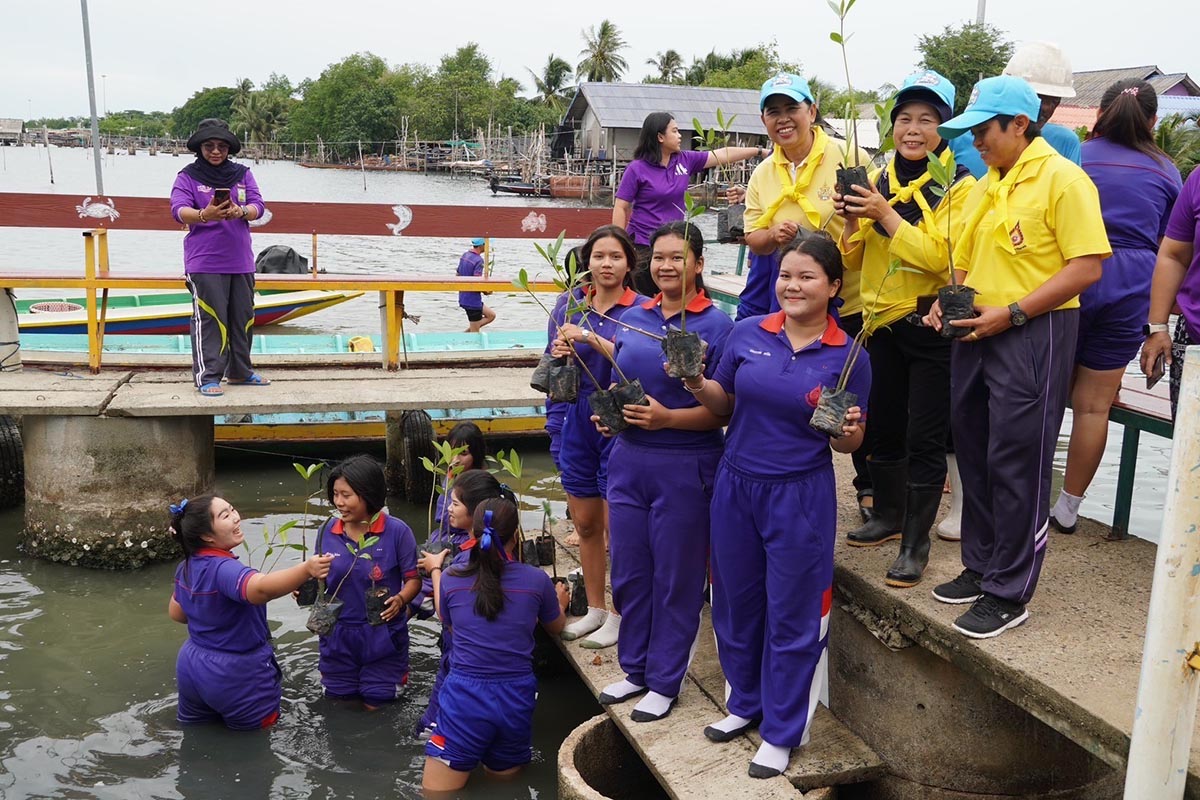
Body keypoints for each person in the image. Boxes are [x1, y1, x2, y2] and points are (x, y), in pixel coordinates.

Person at [925, 76, 1109, 639]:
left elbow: (1086, 267)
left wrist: (1015, 313)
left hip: (1035, 330)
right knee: (976, 448)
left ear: (1020, 125)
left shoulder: (1063, 181)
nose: (975, 142)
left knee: (1018, 457)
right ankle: (981, 565)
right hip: (977, 330)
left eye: (983, 131)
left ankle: (1010, 589)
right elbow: (965, 259)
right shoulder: (988, 183)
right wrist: (943, 300)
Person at [687, 234, 867, 778]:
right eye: (786, 274)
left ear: (834, 287)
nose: (792, 285)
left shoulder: (850, 355)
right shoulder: (745, 334)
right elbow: (722, 404)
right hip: (736, 485)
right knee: (735, 604)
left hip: (800, 494)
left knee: (793, 614)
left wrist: (849, 433)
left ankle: (784, 730)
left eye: (807, 276)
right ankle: (744, 703)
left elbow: (848, 443)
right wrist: (695, 380)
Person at [834, 70, 976, 587]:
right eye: (904, 119)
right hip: (877, 323)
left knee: (925, 435)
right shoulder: (875, 178)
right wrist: (852, 220)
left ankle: (917, 543)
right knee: (885, 425)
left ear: (945, 128)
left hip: (929, 323)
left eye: (927, 119)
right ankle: (888, 517)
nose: (913, 129)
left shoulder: (959, 186)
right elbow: (851, 255)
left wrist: (885, 217)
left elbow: (944, 260)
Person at [596, 221, 733, 723]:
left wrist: (668, 418)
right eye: (658, 257)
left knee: (676, 576)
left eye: (678, 257)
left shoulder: (718, 327)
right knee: (630, 571)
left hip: (686, 460)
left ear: (698, 264)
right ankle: (634, 669)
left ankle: (665, 678)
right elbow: (620, 380)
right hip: (629, 459)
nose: (667, 266)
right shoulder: (635, 317)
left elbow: (725, 412)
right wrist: (612, 414)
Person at [1050, 80, 1182, 534]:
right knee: (1094, 407)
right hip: (1133, 287)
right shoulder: (1166, 170)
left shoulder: (1074, 158)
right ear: (1153, 122)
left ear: (1098, 114)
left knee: (1043, 395)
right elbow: (1172, 246)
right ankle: (1067, 509)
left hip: (1072, 275)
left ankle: (1025, 498)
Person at [743, 72, 876, 519]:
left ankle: (865, 483)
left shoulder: (848, 155)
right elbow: (752, 236)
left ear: (812, 112)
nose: (783, 120)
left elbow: (875, 218)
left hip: (846, 294)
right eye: (773, 112)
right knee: (791, 383)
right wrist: (770, 234)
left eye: (792, 109)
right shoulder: (764, 172)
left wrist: (847, 216)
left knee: (848, 390)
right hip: (793, 294)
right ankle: (777, 457)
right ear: (764, 120)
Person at [420, 498, 569, 793]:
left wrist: (435, 571)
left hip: (465, 698)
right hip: (515, 698)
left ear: (473, 536)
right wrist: (560, 602)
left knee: (436, 794)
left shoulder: (452, 579)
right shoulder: (536, 580)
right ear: (516, 536)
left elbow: (449, 622)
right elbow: (555, 626)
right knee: (505, 789)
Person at [549, 225, 645, 649]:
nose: (606, 264)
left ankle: (623, 614)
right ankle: (595, 608)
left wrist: (588, 338)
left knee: (619, 527)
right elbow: (551, 369)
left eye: (615, 257)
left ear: (629, 265)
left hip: (619, 421)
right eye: (598, 256)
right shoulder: (571, 305)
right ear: (586, 261)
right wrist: (561, 350)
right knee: (586, 523)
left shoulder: (641, 309)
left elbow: (635, 361)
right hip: (577, 418)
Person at [168, 495, 333, 729]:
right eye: (225, 515)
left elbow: (177, 613)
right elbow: (260, 589)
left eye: (232, 508)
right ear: (206, 535)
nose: (236, 517)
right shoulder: (224, 569)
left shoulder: (185, 566)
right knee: (253, 745)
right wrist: (306, 569)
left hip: (192, 665)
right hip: (236, 674)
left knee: (196, 732)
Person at [614, 112, 770, 295]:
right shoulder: (637, 169)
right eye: (675, 131)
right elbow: (621, 207)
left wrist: (760, 152)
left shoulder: (684, 160)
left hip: (677, 244)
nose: (680, 135)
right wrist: (619, 245)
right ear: (660, 137)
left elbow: (720, 155)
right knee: (646, 300)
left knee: (692, 296)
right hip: (644, 246)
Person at [415, 470, 518, 738]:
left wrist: (436, 569)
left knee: (434, 728)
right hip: (498, 669)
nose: (448, 508)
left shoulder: (466, 562)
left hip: (461, 657)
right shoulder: (506, 558)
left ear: (475, 513)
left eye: (455, 503)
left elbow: (444, 612)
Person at [169, 118, 268, 397]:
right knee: (211, 318)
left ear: (229, 149)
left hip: (241, 260)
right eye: (209, 146)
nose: (215, 151)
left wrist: (242, 211)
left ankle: (240, 371)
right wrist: (204, 215)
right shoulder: (187, 176)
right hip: (205, 261)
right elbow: (178, 210)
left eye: (222, 146)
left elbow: (259, 205)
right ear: (200, 148)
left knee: (243, 317)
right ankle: (207, 376)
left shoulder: (242, 173)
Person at [314, 455, 420, 709]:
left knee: (378, 703)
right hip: (338, 633)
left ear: (368, 495)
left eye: (346, 495)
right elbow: (320, 575)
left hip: (382, 633)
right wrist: (305, 586)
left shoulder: (397, 531)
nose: (339, 502)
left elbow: (413, 580)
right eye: (335, 494)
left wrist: (401, 599)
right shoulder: (326, 530)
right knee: (339, 703)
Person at [1141, 161, 1200, 418]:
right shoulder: (1198, 179)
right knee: (1190, 449)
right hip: (1195, 341)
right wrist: (1157, 328)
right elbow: (1174, 255)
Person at [458, 238, 496, 332]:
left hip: (463, 296)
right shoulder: (479, 260)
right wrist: (486, 291)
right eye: (487, 245)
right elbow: (477, 282)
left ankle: (464, 334)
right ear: (482, 245)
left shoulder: (465, 255)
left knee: (491, 315)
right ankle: (465, 338)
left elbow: (458, 274)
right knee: (475, 333)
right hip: (472, 301)